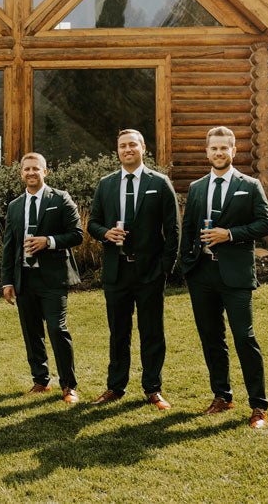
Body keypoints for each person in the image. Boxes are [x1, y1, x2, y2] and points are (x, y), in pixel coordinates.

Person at [177, 126, 268, 429]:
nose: (219, 153)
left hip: (236, 274)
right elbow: (189, 228)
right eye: (214, 148)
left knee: (244, 337)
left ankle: (258, 406)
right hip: (203, 274)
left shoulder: (250, 185)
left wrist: (230, 234)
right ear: (207, 152)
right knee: (211, 338)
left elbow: (266, 224)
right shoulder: (196, 187)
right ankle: (222, 396)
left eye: (224, 148)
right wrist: (188, 265)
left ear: (234, 151)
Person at [86, 129, 178, 409]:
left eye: (132, 145)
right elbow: (93, 223)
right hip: (116, 271)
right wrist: (106, 234)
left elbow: (173, 229)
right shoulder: (106, 184)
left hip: (150, 271)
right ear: (118, 151)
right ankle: (115, 387)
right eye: (122, 146)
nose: (127, 149)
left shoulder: (159, 183)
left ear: (143, 148)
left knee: (152, 331)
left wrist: (165, 267)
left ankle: (153, 388)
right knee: (118, 332)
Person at [0, 152, 84, 404]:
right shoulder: (15, 206)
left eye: (36, 169)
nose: (31, 173)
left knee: (58, 330)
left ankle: (68, 386)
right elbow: (9, 246)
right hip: (24, 278)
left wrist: (48, 241)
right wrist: (7, 281)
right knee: (31, 332)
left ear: (45, 172)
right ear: (21, 174)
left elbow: (77, 234)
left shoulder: (60, 199)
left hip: (53, 278)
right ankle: (41, 380)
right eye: (26, 169)